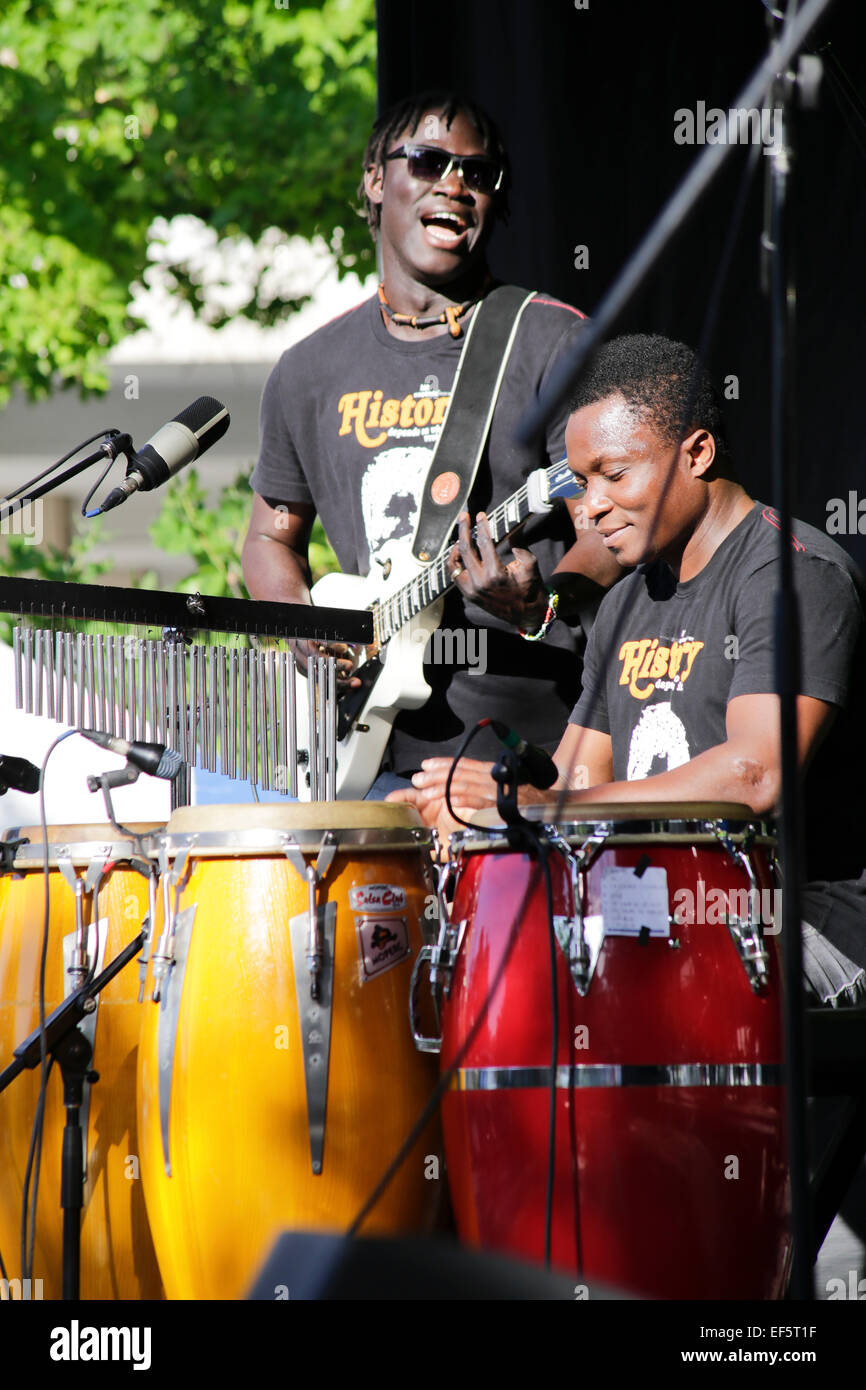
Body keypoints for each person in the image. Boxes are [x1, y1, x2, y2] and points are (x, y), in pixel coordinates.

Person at [393, 333, 866, 1006]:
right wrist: (456, 815)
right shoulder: (624, 604)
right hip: (665, 913)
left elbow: (755, 775)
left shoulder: (790, 575)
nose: (588, 509)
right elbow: (578, 777)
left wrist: (539, 808)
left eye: (615, 475)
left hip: (800, 922)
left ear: (696, 453)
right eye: (582, 485)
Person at [241, 90, 620, 797]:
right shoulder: (308, 370)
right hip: (365, 750)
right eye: (429, 161)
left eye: (477, 175)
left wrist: (544, 604)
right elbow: (269, 538)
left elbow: (616, 520)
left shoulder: (552, 341)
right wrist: (300, 627)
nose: (455, 184)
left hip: (525, 748)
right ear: (376, 180)